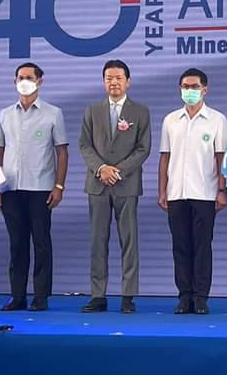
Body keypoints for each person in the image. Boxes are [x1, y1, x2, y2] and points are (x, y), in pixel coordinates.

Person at [0, 62, 69, 312]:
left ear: (39, 81)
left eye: (29, 77)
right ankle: (17, 296)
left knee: (41, 242)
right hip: (10, 188)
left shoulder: (53, 113)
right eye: (20, 77)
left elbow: (62, 151)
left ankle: (41, 295)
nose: (24, 81)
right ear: (14, 81)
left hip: (41, 187)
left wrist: (59, 185)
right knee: (17, 243)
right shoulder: (5, 114)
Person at [79, 60, 151, 314]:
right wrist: (101, 168)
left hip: (126, 184)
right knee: (97, 241)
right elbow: (84, 145)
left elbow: (143, 148)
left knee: (129, 241)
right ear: (103, 82)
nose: (114, 82)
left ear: (128, 81)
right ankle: (98, 295)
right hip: (97, 184)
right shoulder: (92, 111)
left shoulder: (140, 112)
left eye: (118, 78)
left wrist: (117, 170)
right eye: (109, 78)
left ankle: (128, 295)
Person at [158, 68, 227, 315]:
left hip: (205, 193)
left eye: (194, 87)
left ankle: (200, 297)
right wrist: (162, 190)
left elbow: (221, 158)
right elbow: (165, 158)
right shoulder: (170, 120)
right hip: (176, 192)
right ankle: (184, 296)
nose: (189, 91)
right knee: (180, 247)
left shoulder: (217, 119)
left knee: (202, 247)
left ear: (204, 90)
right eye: (185, 87)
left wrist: (222, 190)